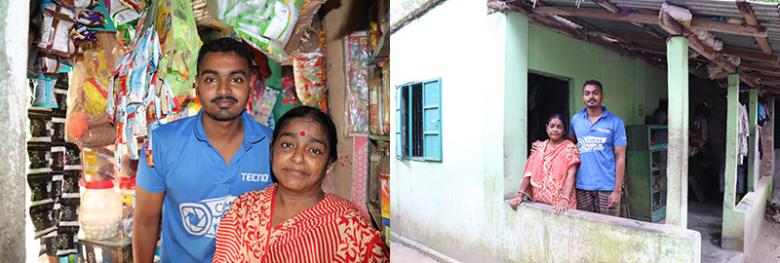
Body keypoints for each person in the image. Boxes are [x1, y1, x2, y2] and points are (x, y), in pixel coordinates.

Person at [133, 38, 274, 262]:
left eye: (236, 79)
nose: (224, 90)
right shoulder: (162, 144)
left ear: (250, 83)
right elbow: (146, 221)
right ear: (197, 84)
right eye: (211, 79)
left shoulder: (273, 147)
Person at [212, 106, 389, 262]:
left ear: (329, 164)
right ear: (272, 150)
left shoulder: (353, 230)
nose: (297, 158)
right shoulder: (244, 209)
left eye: (314, 150)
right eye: (288, 145)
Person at [568, 80, 627, 216]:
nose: (591, 97)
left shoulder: (615, 122)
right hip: (582, 186)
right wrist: (545, 145)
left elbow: (620, 157)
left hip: (607, 187)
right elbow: (568, 147)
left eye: (595, 93)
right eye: (587, 93)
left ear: (602, 96)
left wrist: (617, 190)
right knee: (585, 229)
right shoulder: (576, 120)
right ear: (583, 97)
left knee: (609, 229)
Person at [509, 114, 580, 214]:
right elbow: (528, 173)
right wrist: (520, 195)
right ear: (546, 127)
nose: (555, 130)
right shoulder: (540, 148)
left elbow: (571, 174)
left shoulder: (570, 148)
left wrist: (565, 199)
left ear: (564, 131)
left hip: (561, 205)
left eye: (559, 127)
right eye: (552, 126)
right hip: (540, 202)